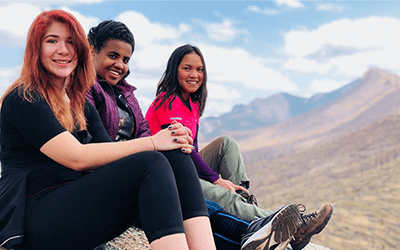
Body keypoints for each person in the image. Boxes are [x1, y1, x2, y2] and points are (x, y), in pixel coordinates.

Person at [0, 10, 217, 250]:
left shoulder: (78, 103)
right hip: (36, 218)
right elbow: (77, 157)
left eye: (71, 42)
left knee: (176, 155)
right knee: (151, 162)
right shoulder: (24, 98)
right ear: (35, 48)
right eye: (52, 40)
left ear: (81, 50)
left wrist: (172, 141)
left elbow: (112, 157)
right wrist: (154, 142)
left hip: (76, 210)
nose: (63, 50)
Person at [85, 20, 307, 250]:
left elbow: (143, 130)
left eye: (125, 60)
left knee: (217, 146)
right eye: (113, 55)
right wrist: (215, 179)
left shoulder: (129, 94)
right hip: (129, 171)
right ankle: (260, 225)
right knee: (181, 158)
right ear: (92, 51)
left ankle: (249, 214)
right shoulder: (93, 90)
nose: (120, 65)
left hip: (152, 166)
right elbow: (105, 143)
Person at [145, 44, 334, 250]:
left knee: (227, 144)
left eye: (199, 70)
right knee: (222, 192)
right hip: (171, 173)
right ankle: (292, 226)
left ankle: (244, 205)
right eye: (187, 68)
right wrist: (216, 180)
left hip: (187, 165)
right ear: (175, 70)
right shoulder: (167, 102)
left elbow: (194, 148)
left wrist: (219, 180)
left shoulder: (192, 104)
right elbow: (182, 151)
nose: (194, 75)